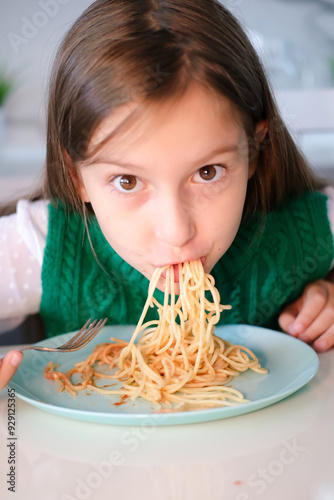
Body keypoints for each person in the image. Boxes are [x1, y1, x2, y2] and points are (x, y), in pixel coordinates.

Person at [1, 0, 334, 392]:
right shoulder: (43, 245)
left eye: (207, 173)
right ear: (77, 179)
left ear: (255, 150)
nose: (176, 231)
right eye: (127, 181)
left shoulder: (307, 229)